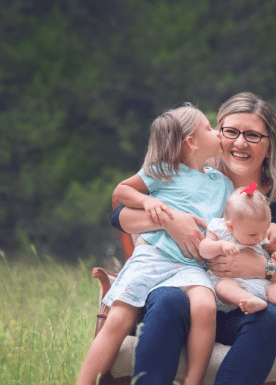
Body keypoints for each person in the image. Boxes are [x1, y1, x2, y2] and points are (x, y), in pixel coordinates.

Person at [112, 92, 276, 385]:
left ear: (270, 145)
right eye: (230, 131)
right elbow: (119, 214)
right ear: (215, 134)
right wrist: (172, 221)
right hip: (183, 301)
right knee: (168, 299)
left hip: (239, 311)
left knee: (269, 318)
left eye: (253, 135)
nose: (240, 142)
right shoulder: (193, 181)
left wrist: (262, 268)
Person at [77, 103, 235, 385]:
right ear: (191, 141)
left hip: (191, 264)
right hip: (153, 256)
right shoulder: (164, 171)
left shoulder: (222, 184)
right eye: (210, 128)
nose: (218, 133)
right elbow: (122, 191)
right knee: (119, 318)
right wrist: (149, 200)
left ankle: (192, 381)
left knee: (205, 306)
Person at [199, 185, 276, 346]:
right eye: (253, 235)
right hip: (231, 282)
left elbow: (269, 251)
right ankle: (251, 300)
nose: (260, 238)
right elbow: (203, 249)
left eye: (264, 231)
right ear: (230, 226)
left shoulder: (258, 233)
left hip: (259, 281)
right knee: (223, 287)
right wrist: (220, 246)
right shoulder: (220, 230)